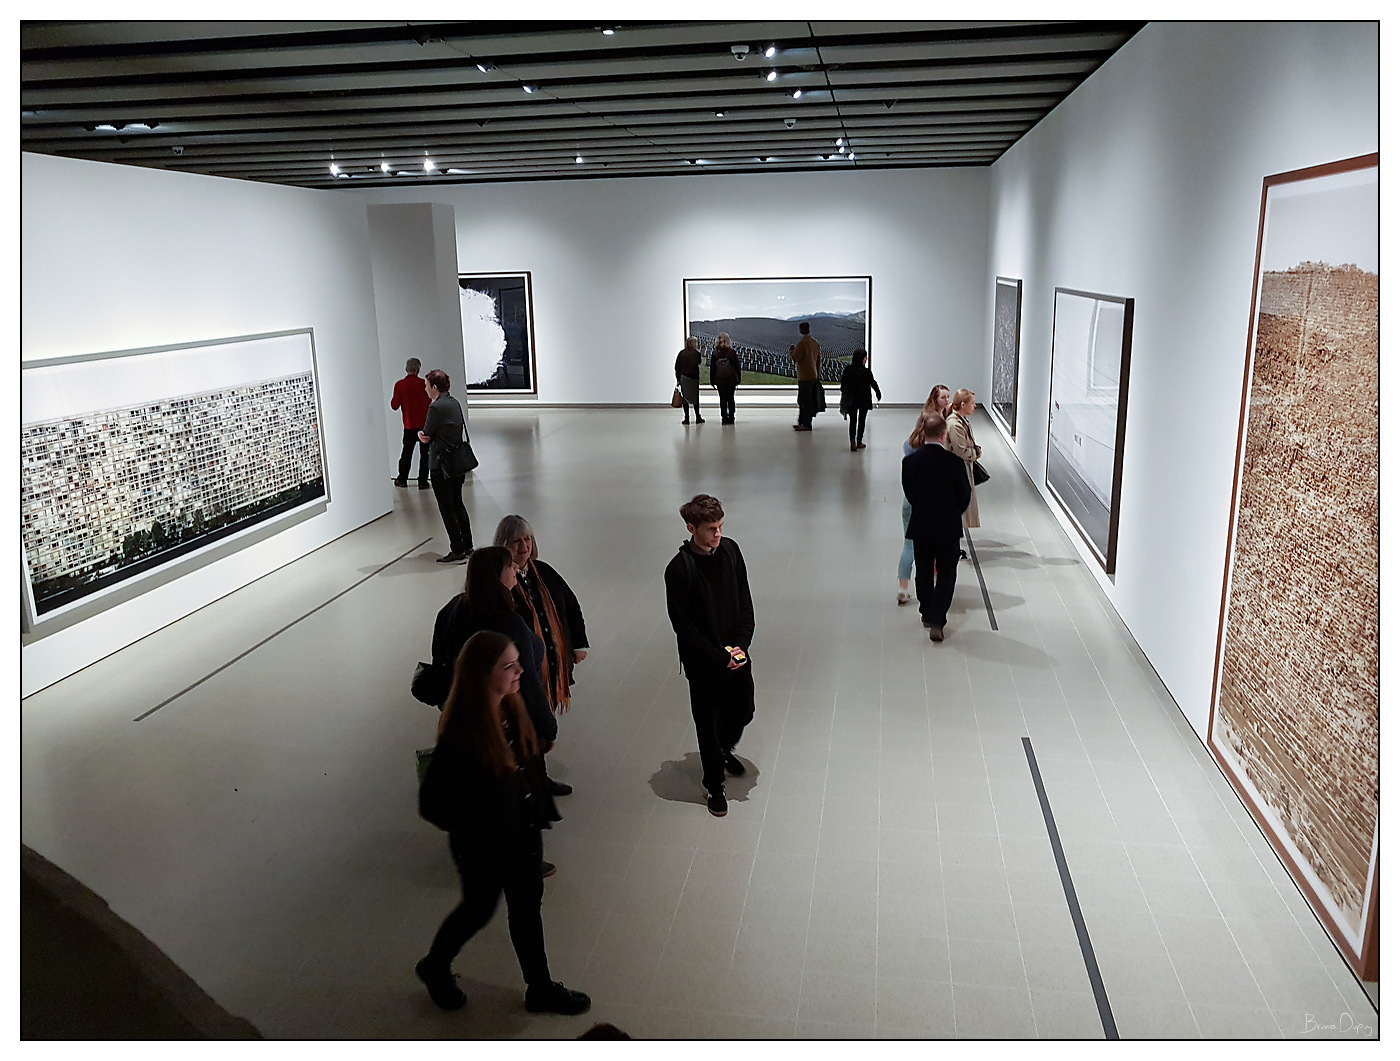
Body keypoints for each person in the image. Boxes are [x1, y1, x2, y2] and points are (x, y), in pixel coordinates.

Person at [414, 630, 590, 1017]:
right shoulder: (462, 734)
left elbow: (526, 767)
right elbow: (433, 804)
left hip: (521, 837)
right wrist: (482, 829)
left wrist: (535, 808)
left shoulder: (512, 708)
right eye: (509, 666)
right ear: (482, 675)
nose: (520, 671)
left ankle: (540, 988)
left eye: (518, 662)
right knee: (477, 910)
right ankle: (435, 965)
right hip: (485, 848)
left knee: (526, 910)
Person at [663, 494, 755, 817]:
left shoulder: (731, 551)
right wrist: (718, 658)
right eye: (711, 529)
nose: (718, 534)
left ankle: (722, 747)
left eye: (720, 526)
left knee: (744, 710)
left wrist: (742, 644)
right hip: (704, 664)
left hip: (736, 654)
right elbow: (683, 627)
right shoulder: (679, 570)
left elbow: (744, 600)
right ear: (692, 528)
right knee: (707, 722)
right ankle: (714, 784)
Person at [495, 515, 588, 798]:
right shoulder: (502, 583)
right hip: (521, 676)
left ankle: (537, 778)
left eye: (528, 539)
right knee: (525, 725)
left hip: (547, 670)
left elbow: (570, 605)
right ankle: (529, 780)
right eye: (516, 541)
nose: (524, 546)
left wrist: (578, 645)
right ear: (503, 545)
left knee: (534, 723)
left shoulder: (543, 572)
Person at [902, 413, 971, 642]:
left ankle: (926, 611)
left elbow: (909, 493)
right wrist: (953, 513)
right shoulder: (954, 463)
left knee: (923, 570)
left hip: (921, 525)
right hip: (947, 527)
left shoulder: (910, 463)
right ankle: (938, 619)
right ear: (944, 435)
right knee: (946, 572)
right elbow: (964, 495)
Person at [897, 385, 951, 604]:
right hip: (930, 506)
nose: (947, 400)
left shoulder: (910, 455)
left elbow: (907, 485)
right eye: (943, 397)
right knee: (934, 549)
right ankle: (934, 588)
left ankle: (903, 587)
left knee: (909, 545)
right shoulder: (942, 460)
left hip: (910, 504)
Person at [419, 369, 473, 563]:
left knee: (446, 508)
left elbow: (426, 433)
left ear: (434, 387)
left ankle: (457, 548)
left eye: (427, 386)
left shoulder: (436, 407)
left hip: (441, 465)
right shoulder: (454, 403)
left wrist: (420, 435)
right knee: (458, 504)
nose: (425, 389)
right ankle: (468, 546)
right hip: (456, 462)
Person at [945, 388, 983, 556]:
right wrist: (975, 453)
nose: (974, 406)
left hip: (962, 468)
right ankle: (952, 548)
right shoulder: (954, 424)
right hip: (958, 470)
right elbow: (961, 451)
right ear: (962, 405)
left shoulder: (961, 421)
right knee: (957, 508)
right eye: (972, 403)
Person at [390, 357, 432, 490]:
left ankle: (402, 479)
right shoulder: (424, 384)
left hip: (409, 425)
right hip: (424, 424)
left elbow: (394, 405)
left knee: (406, 453)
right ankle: (423, 482)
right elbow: (430, 401)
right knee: (425, 454)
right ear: (418, 370)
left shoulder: (400, 385)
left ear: (406, 369)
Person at [838, 349, 882, 452]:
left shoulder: (848, 370)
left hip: (852, 399)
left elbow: (843, 383)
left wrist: (844, 394)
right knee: (862, 421)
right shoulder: (866, 372)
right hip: (863, 399)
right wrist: (878, 393)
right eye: (865, 357)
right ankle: (859, 441)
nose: (866, 359)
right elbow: (873, 383)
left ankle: (852, 441)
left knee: (853, 421)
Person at [788, 322, 821, 431]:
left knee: (803, 401)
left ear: (800, 330)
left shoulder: (802, 343)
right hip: (813, 375)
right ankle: (802, 422)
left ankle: (805, 424)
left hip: (804, 376)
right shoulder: (815, 343)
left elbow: (795, 357)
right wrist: (818, 375)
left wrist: (791, 350)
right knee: (808, 400)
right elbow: (818, 361)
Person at [709, 333, 741, 425]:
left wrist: (712, 381)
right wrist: (738, 379)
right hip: (731, 380)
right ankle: (731, 417)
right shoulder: (732, 352)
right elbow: (737, 367)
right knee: (730, 398)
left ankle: (724, 417)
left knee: (722, 399)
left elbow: (712, 368)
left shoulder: (715, 353)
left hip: (720, 380)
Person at [675, 337, 705, 425]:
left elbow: (677, 367)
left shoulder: (681, 353)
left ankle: (686, 418)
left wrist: (678, 379)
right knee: (695, 398)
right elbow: (698, 362)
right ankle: (697, 417)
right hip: (693, 378)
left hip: (684, 378)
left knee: (685, 399)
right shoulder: (696, 354)